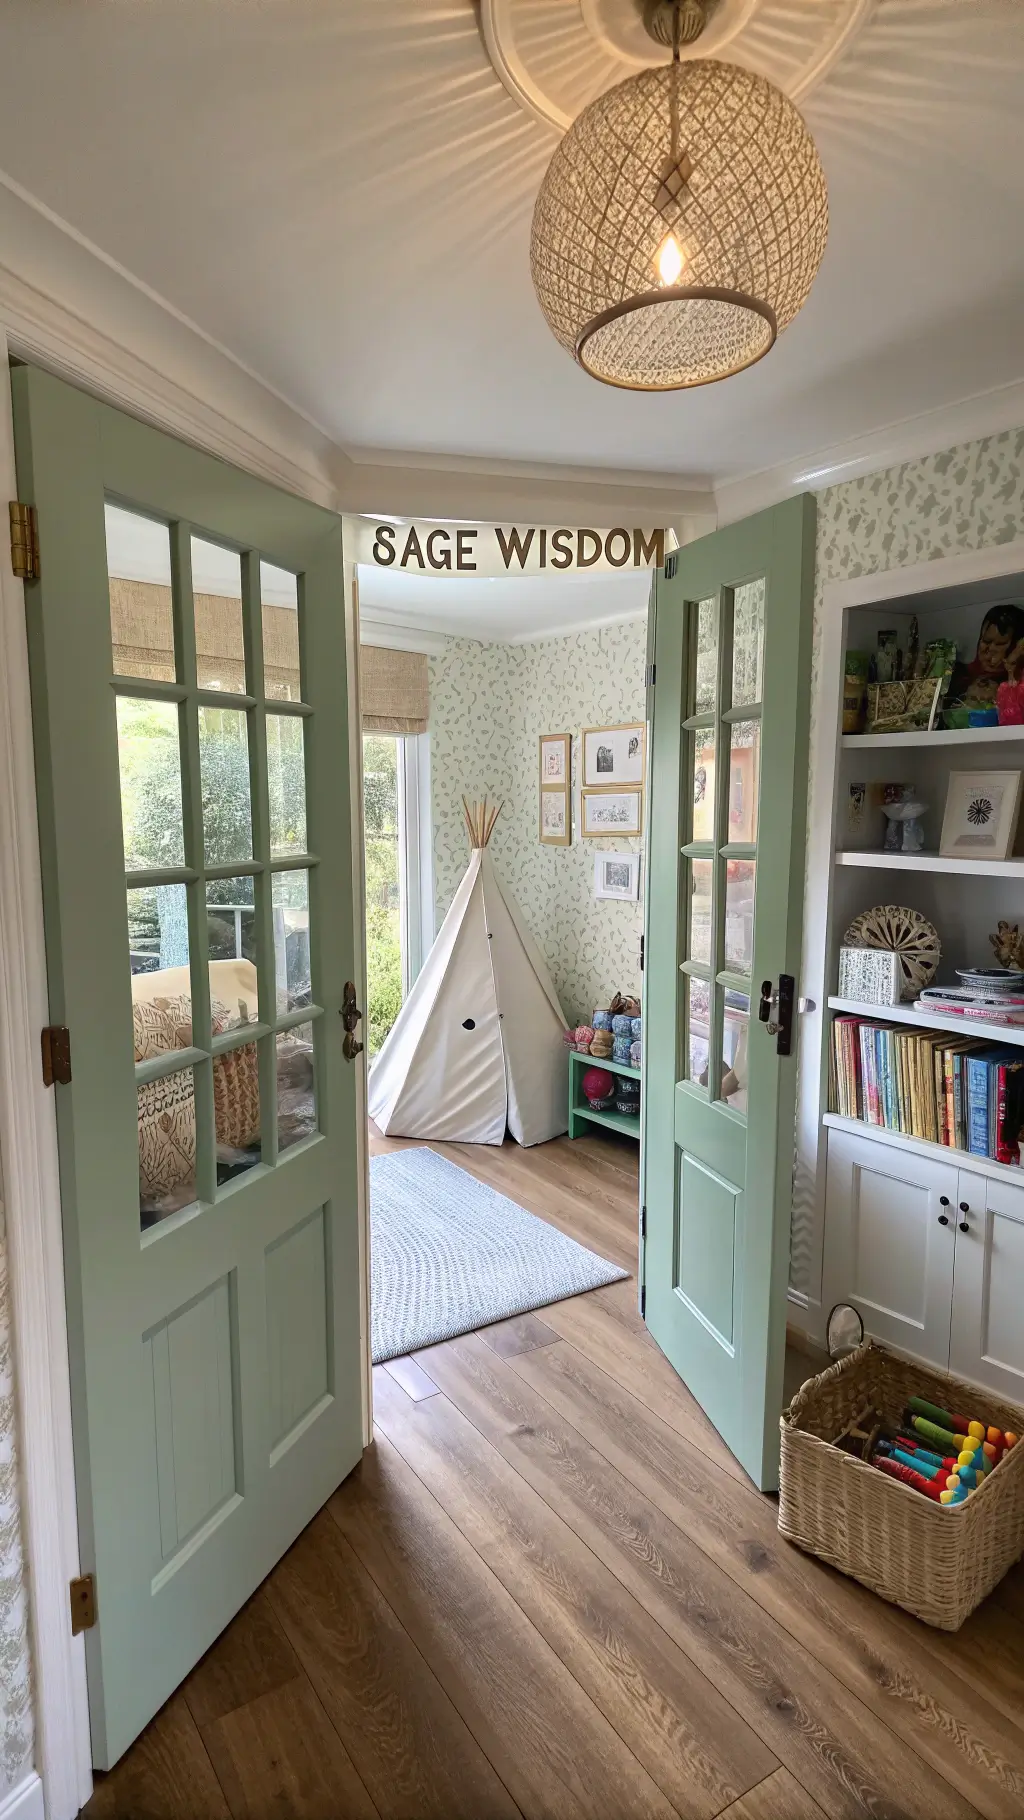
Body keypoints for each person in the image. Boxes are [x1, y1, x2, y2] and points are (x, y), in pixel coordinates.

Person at [948, 604, 1024, 709]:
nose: (989, 650)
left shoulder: (1018, 688)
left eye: (1000, 644)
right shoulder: (958, 677)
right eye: (986, 641)